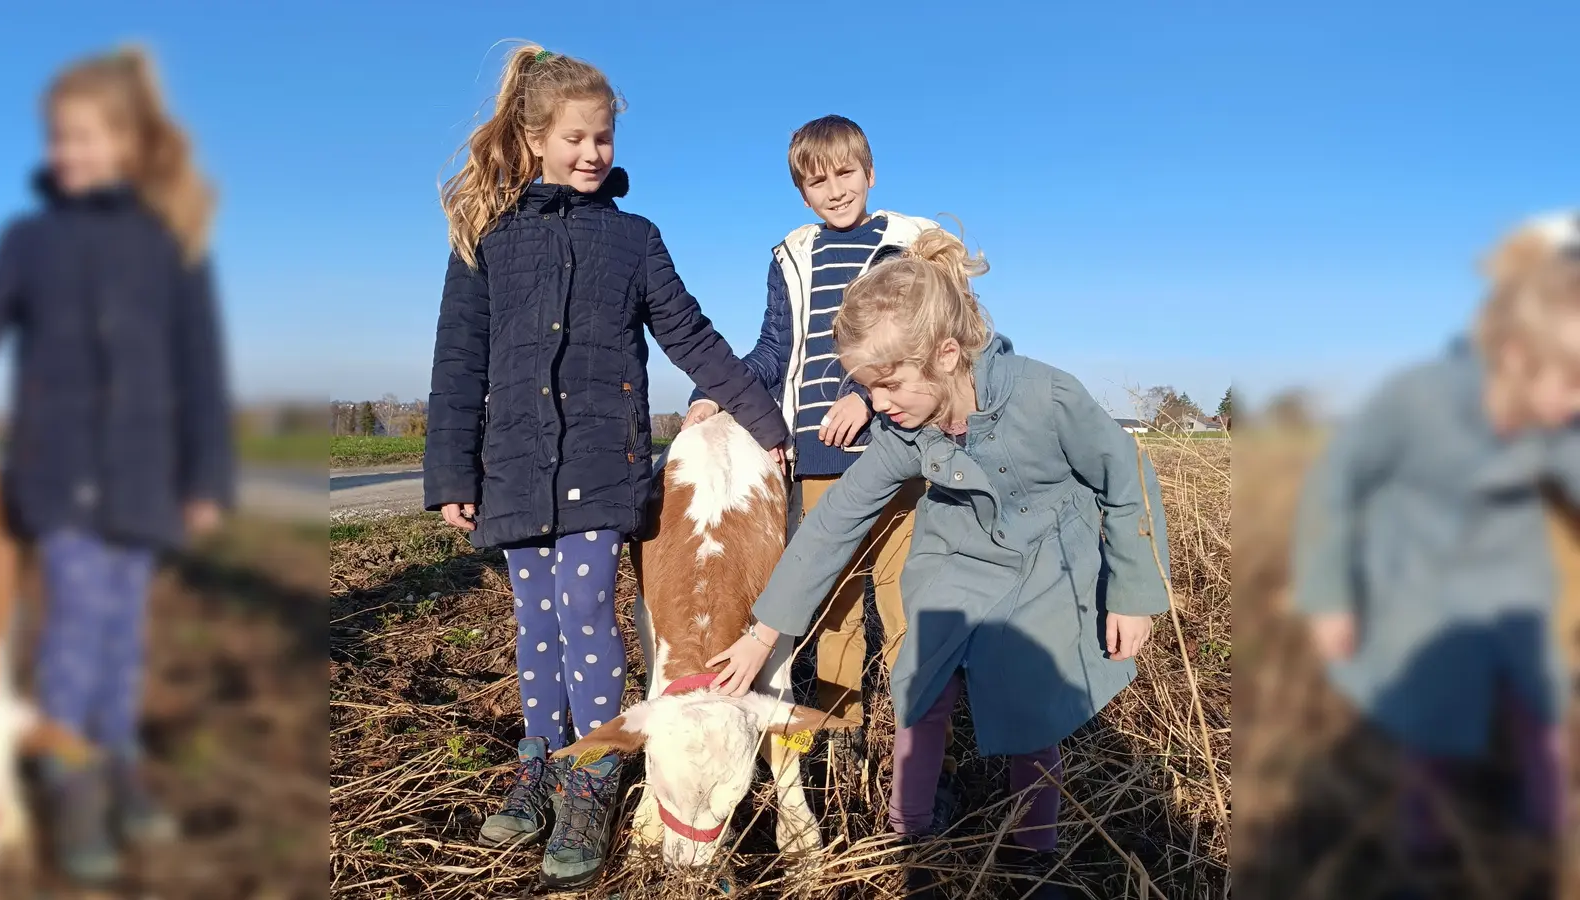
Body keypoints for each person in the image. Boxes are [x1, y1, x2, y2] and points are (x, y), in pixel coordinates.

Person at [704, 227, 1171, 890]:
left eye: (887, 385)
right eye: (869, 389)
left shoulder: (1047, 397)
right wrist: (762, 633)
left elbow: (1126, 478)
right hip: (953, 558)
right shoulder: (905, 431)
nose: (879, 405)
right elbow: (833, 523)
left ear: (947, 355)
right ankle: (908, 838)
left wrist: (1132, 592)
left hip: (1044, 562)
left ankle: (1036, 852)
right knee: (920, 690)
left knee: (1032, 703)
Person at [423, 42, 787, 890]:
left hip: (600, 459)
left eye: (605, 140)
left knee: (586, 610)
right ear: (536, 136)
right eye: (578, 139)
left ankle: (592, 775)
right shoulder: (488, 237)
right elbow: (459, 360)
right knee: (534, 623)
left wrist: (764, 421)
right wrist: (451, 474)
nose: (593, 155)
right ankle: (539, 762)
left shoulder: (634, 239)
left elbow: (691, 335)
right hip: (512, 463)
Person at [0, 46, 233, 885]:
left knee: (122, 642)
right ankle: (79, 794)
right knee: (72, 646)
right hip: (57, 483)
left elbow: (199, 370)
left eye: (86, 137)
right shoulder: (27, 240)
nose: (69, 153)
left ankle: (118, 772)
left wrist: (206, 480)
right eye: (59, 138)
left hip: (144, 482)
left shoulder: (164, 248)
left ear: (128, 144)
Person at [1292, 212, 1579, 892]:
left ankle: (1544, 843)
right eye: (1570, 383)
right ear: (1513, 356)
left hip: (1515, 592)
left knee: (1542, 721)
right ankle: (1425, 853)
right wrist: (1330, 597)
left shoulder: (1557, 427)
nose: (1578, 402)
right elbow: (1335, 485)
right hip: (1421, 599)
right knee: (1433, 741)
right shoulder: (1417, 399)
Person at [680, 114, 960, 807]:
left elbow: (932, 334)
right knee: (831, 608)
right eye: (816, 180)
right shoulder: (792, 257)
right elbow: (775, 348)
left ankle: (909, 750)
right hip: (820, 459)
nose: (834, 190)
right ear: (801, 191)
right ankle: (837, 748)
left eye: (845, 174)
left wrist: (868, 394)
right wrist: (715, 393)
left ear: (869, 172)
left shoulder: (908, 245)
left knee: (903, 603)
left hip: (900, 448)